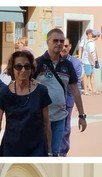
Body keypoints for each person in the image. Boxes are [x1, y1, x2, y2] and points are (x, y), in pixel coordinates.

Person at [34, 28, 87, 157]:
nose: (59, 43)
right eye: (55, 40)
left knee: (55, 153)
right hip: (40, 118)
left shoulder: (68, 65)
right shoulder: (38, 63)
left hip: (59, 118)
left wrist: (82, 116)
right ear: (48, 42)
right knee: (41, 152)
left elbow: (75, 90)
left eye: (61, 41)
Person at [0, 50, 52, 156]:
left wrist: (49, 149)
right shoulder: (4, 93)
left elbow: (46, 123)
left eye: (27, 66)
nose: (23, 70)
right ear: (12, 69)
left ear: (31, 69)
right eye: (18, 67)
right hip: (11, 147)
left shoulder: (41, 91)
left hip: (36, 147)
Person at [59, 37, 82, 156]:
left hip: (68, 98)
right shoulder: (52, 60)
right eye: (62, 45)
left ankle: (63, 152)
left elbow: (76, 85)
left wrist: (79, 105)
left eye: (66, 46)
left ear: (70, 46)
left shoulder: (76, 63)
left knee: (65, 127)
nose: (64, 48)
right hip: (53, 100)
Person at [80, 29, 99, 95]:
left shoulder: (92, 42)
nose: (97, 37)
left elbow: (94, 52)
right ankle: (86, 90)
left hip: (90, 61)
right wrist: (94, 61)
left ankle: (94, 90)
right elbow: (90, 53)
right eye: (97, 36)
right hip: (87, 61)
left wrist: (96, 59)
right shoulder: (90, 43)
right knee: (86, 75)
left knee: (92, 75)